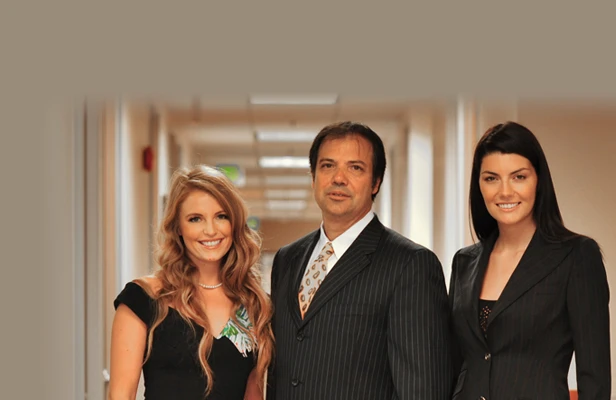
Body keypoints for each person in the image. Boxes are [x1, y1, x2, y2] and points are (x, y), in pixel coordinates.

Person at [266, 121, 455, 399]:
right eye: (327, 166)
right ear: (313, 177)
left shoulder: (410, 265)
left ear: (376, 183)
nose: (338, 178)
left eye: (355, 168)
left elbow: (423, 390)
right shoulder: (287, 258)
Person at [449, 122, 611, 400]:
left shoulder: (577, 257)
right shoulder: (464, 262)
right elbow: (455, 364)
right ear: (479, 185)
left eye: (519, 177)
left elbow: (594, 379)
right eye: (491, 178)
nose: (505, 191)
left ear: (539, 181)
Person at [108, 165, 274, 400]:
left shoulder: (254, 304)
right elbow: (120, 395)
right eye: (195, 219)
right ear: (178, 227)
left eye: (221, 216)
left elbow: (253, 394)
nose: (210, 230)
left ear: (234, 223)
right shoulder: (143, 298)